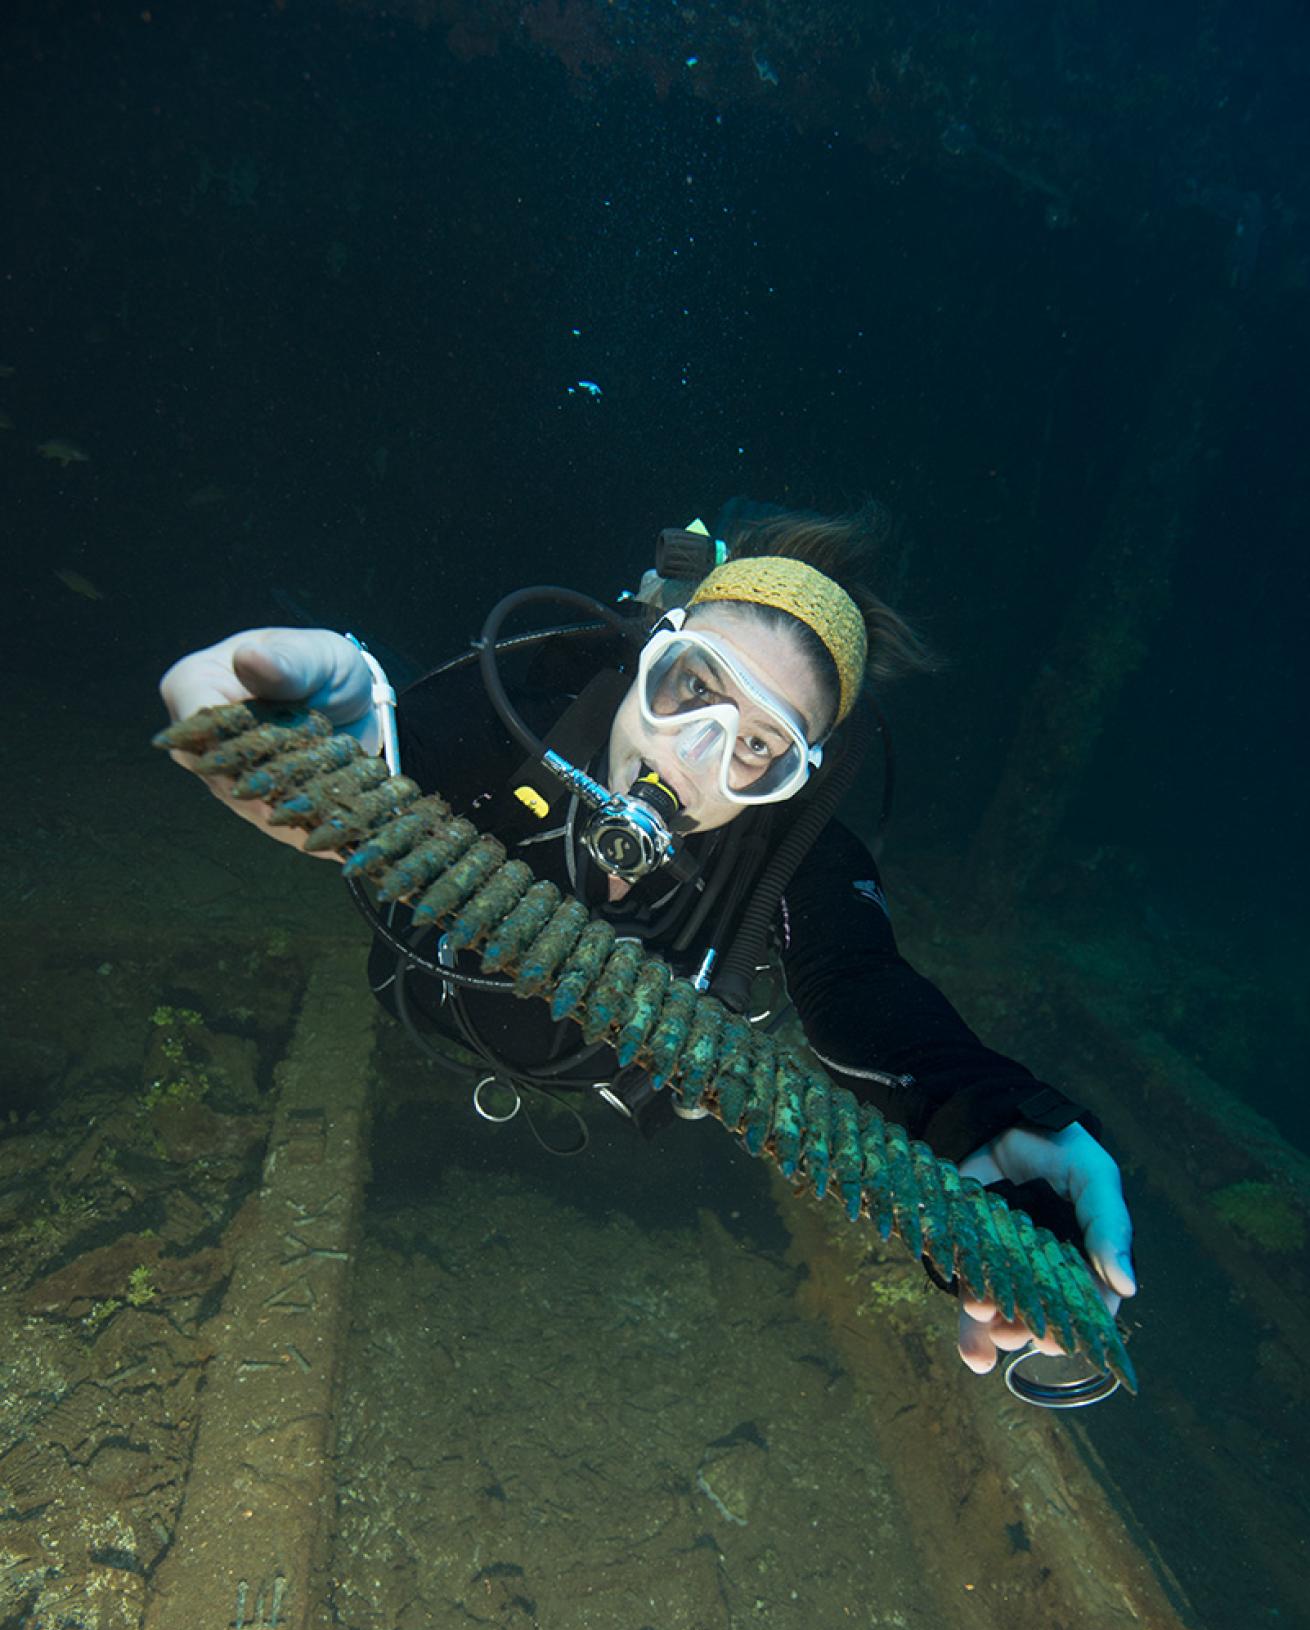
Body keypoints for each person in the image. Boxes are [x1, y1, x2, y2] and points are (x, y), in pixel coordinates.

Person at [160, 504, 1137, 1379]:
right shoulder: (512, 722)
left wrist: (978, 1112)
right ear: (644, 657)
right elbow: (386, 730)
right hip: (429, 1000)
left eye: (757, 747)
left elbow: (860, 982)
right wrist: (344, 731)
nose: (693, 756)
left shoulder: (790, 857)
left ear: (793, 779)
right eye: (690, 689)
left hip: (604, 1097)